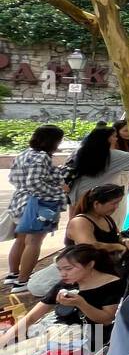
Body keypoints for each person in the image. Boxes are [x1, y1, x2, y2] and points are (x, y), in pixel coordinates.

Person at [0, 245, 124, 351]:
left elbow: (107, 319)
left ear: (91, 264)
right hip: (57, 330)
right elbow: (32, 316)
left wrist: (81, 304)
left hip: (89, 338)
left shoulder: (112, 284)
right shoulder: (67, 283)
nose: (63, 274)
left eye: (68, 269)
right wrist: (5, 340)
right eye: (60, 269)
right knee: (8, 344)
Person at [4, 125, 66, 294]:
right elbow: (35, 183)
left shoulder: (24, 153)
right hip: (37, 205)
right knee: (33, 242)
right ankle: (22, 281)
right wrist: (58, 191)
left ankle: (13, 274)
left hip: (19, 202)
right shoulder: (42, 157)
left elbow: (13, 178)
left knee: (20, 240)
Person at [63, 126, 129, 226]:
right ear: (107, 139)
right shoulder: (114, 155)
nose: (116, 139)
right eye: (114, 136)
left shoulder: (80, 151)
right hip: (97, 197)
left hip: (78, 194)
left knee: (78, 224)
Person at [65, 184, 129, 274]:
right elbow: (89, 246)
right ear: (96, 204)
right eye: (113, 203)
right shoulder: (79, 222)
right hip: (87, 272)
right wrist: (117, 247)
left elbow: (117, 237)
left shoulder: (107, 218)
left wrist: (124, 241)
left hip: (110, 267)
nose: (117, 207)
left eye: (118, 203)